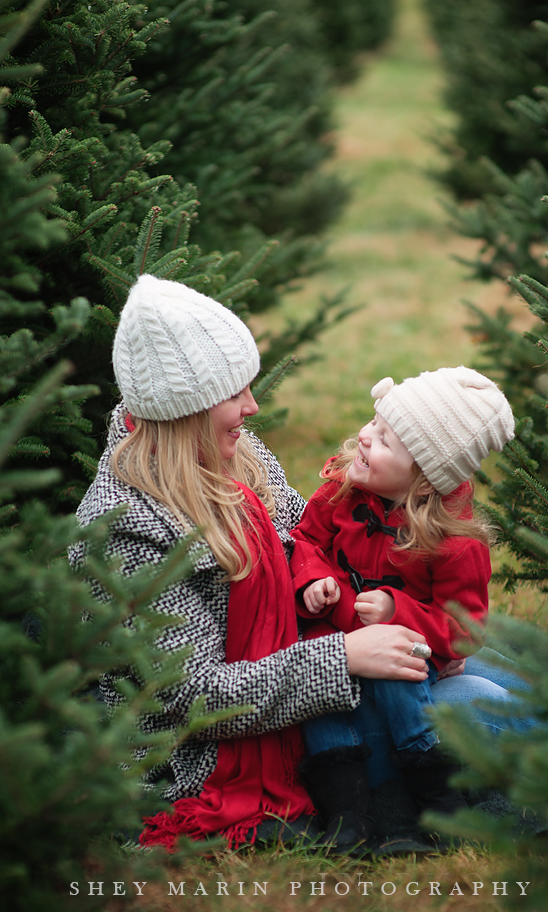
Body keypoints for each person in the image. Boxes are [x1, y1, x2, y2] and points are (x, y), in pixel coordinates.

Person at [71, 274, 433, 851]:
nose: (252, 406)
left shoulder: (236, 454)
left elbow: (305, 543)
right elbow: (194, 698)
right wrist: (344, 657)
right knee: (464, 710)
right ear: (185, 408)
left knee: (460, 668)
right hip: (206, 757)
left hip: (296, 681)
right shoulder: (126, 527)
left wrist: (381, 592)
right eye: (235, 392)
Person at [288, 368, 515, 848]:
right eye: (374, 422)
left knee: (406, 670)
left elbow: (465, 633)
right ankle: (349, 813)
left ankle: (431, 794)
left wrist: (399, 612)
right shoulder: (342, 493)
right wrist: (314, 578)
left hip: (400, 669)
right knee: (321, 696)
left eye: (386, 440)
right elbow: (305, 539)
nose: (365, 437)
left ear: (425, 481)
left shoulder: (454, 545)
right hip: (335, 647)